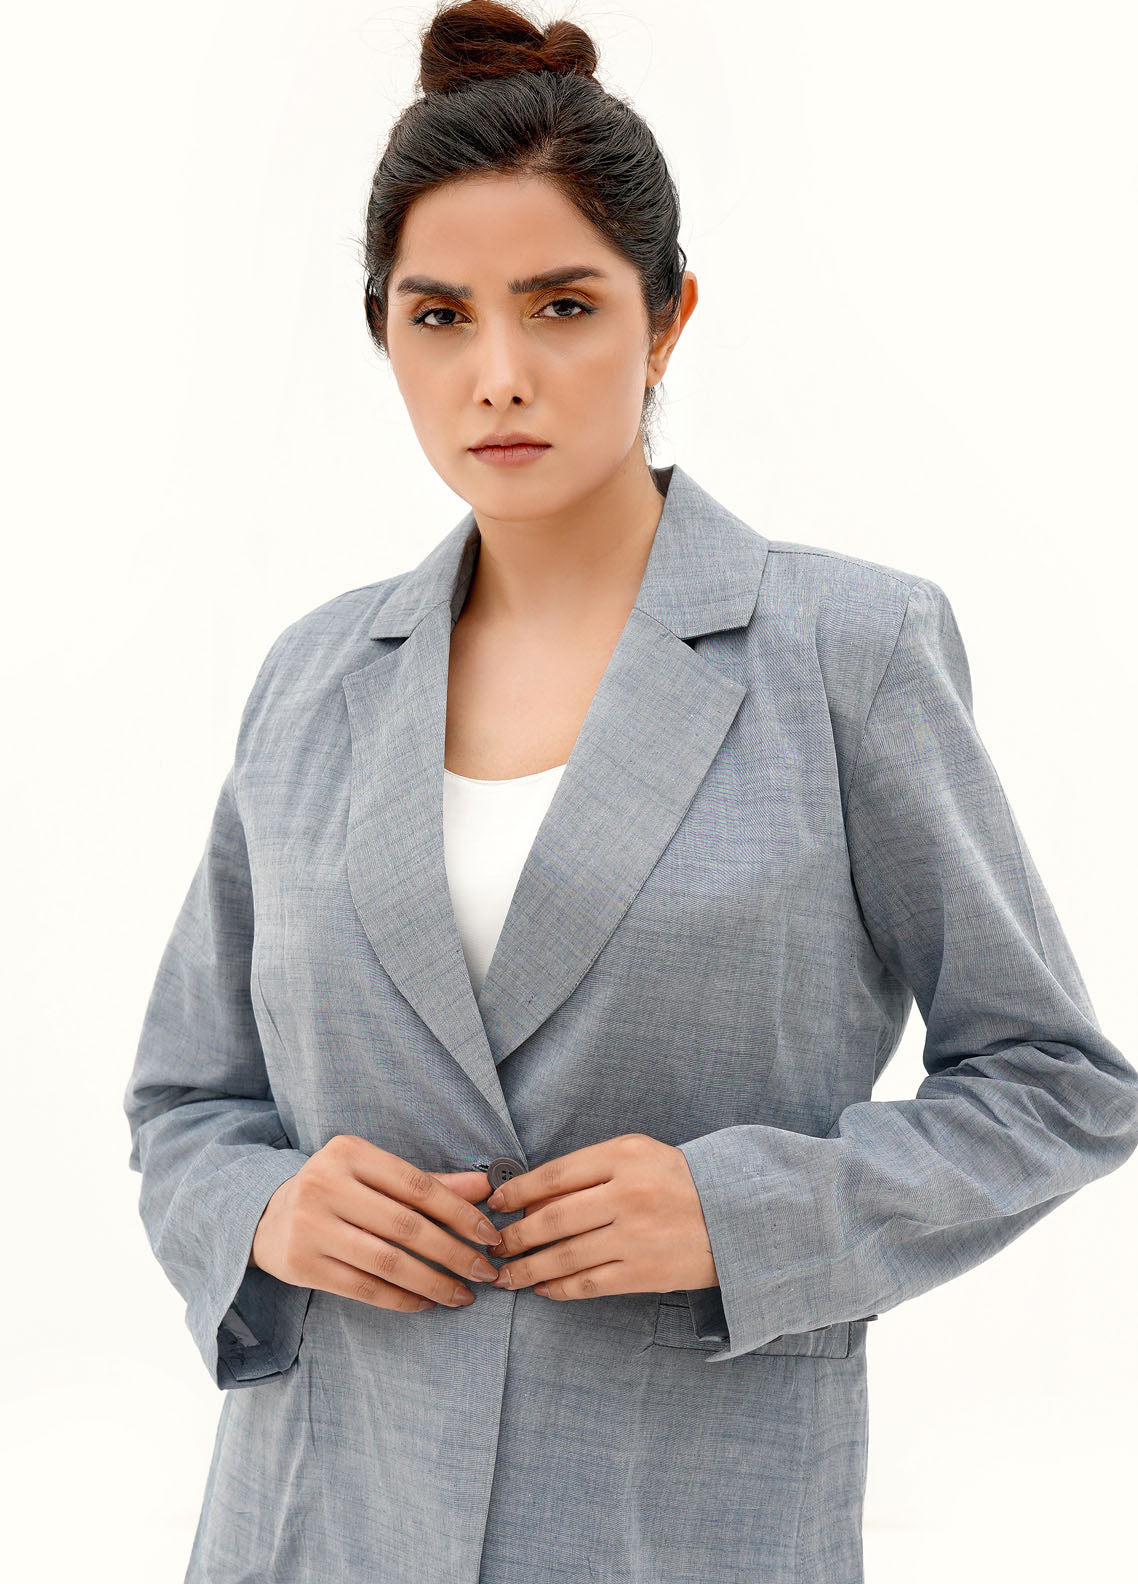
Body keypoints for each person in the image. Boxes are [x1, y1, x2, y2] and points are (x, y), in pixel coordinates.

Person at [122, 4, 1138, 1581]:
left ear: (665, 319)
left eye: (562, 305)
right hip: (317, 1519)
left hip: (677, 1525)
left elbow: (1054, 1085)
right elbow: (186, 1104)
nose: (498, 376)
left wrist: (746, 1214)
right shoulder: (313, 678)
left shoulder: (846, 653)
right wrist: (264, 1211)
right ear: (384, 334)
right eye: (440, 316)